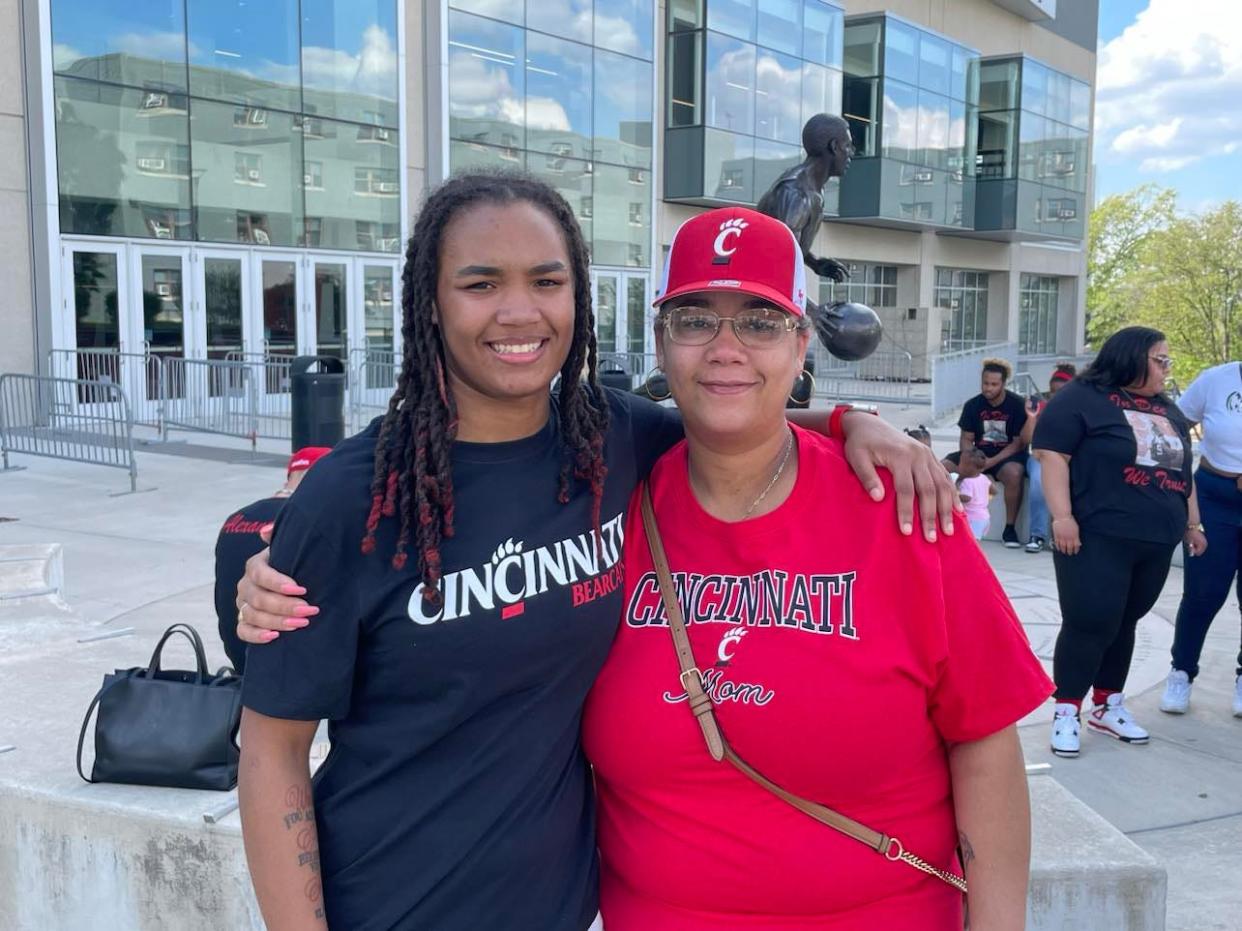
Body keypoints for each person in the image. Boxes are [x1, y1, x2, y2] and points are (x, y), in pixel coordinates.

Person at [231, 173, 958, 931]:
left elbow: (736, 411)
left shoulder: (611, 439)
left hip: (563, 910)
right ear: (432, 301)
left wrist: (852, 421)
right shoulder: (356, 498)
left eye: (547, 280)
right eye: (481, 283)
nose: (520, 310)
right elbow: (273, 751)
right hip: (390, 902)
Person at [582, 207, 1051, 929]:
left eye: (761, 322)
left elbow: (984, 739)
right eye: (695, 318)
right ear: (661, 342)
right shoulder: (609, 501)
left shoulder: (901, 506)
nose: (726, 347)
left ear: (802, 345)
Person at [1034, 327, 1206, 759]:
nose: (1167, 368)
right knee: (1090, 620)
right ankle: (1067, 709)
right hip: (1095, 534)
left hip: (1155, 537)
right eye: (1160, 360)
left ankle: (1108, 703)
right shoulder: (1080, 398)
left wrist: (1193, 525)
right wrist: (1062, 517)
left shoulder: (1169, 409)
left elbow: (1184, 473)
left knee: (1125, 621)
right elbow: (1053, 455)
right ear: (1132, 358)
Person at [1160, 361, 1242, 717]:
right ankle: (1181, 671)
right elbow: (1174, 428)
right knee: (1203, 593)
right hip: (1214, 496)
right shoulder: (1216, 379)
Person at [212, 446, 330, 672]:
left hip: (239, 658)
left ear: (290, 476)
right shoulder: (309, 520)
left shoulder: (235, 518)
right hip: (287, 669)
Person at [944, 359, 1029, 547]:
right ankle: (944, 518)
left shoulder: (1016, 404)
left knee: (1014, 474)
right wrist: (970, 460)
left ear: (1003, 384)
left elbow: (1018, 444)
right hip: (977, 454)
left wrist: (989, 463)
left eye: (994, 384)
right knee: (942, 467)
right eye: (985, 383)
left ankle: (1009, 528)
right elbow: (966, 438)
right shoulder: (973, 405)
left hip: (1006, 455)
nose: (988, 388)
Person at [1019, 363, 1076, 553]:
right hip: (1040, 458)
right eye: (1052, 392)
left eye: (1060, 392)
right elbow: (1026, 440)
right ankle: (1037, 535)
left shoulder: (1077, 412)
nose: (1055, 396)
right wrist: (1031, 418)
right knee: (1038, 483)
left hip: (1067, 460)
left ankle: (1058, 536)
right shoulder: (1041, 409)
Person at [956, 447, 994, 540]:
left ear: (970, 467)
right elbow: (994, 490)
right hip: (984, 516)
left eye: (961, 464)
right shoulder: (983, 478)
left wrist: (954, 495)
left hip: (973, 519)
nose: (958, 466)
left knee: (971, 542)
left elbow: (967, 498)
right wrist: (985, 496)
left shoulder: (967, 481)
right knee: (974, 541)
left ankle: (973, 555)